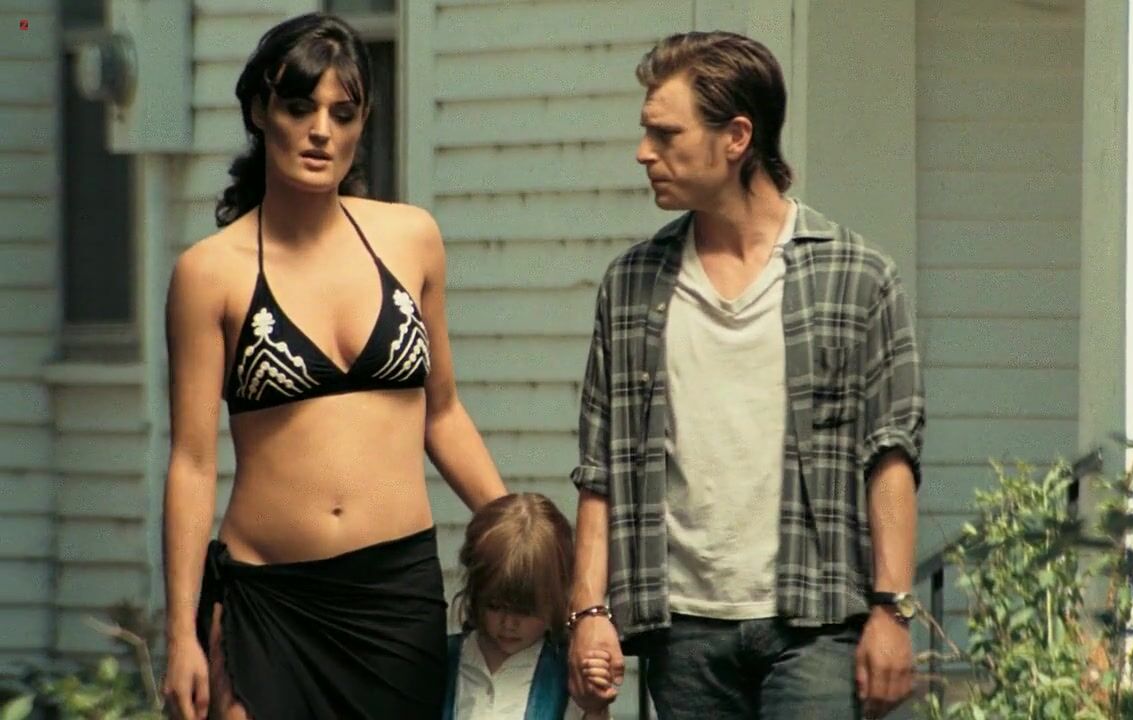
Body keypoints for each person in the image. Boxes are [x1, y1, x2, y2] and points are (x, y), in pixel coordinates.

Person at [565, 31, 926, 720]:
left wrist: (892, 610)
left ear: (736, 137)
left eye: (666, 134)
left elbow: (891, 454)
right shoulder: (633, 285)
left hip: (817, 624)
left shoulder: (857, 277)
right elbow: (600, 466)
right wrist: (588, 610)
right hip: (683, 632)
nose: (644, 152)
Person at [160, 13, 507, 720]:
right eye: (300, 107)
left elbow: (442, 414)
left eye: (342, 113)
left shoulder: (410, 237)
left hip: (395, 599)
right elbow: (192, 463)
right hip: (271, 601)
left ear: (362, 123)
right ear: (261, 112)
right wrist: (179, 635)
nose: (321, 130)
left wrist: (516, 532)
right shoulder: (209, 272)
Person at [443, 493, 614, 719]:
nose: (509, 623)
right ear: (476, 592)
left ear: (556, 597)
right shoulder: (445, 661)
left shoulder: (567, 671)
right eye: (495, 606)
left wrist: (594, 708)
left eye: (526, 611)